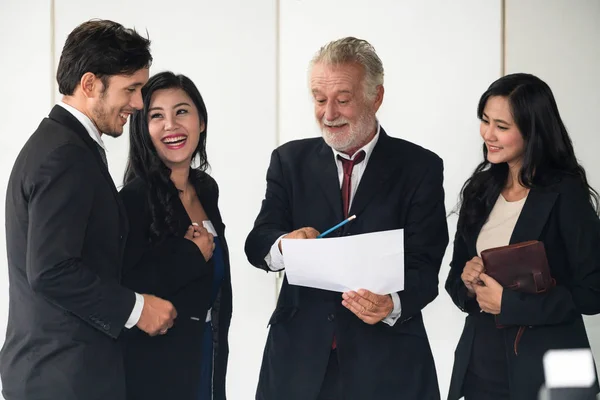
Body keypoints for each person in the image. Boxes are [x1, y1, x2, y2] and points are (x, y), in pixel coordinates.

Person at [245, 37, 449, 400]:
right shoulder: (288, 161)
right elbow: (258, 240)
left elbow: (425, 263)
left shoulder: (420, 167)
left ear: (376, 97)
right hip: (298, 365)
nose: (328, 113)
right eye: (319, 99)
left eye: (343, 99)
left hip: (388, 364)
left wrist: (392, 304)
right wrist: (283, 245)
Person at [0, 20, 177, 400]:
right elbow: (51, 270)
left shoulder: (64, 145)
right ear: (90, 84)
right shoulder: (64, 155)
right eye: (130, 89)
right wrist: (137, 309)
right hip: (63, 380)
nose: (139, 104)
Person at [445, 73, 600, 400]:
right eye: (485, 121)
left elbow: (592, 293)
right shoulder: (480, 191)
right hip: (481, 368)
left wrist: (510, 304)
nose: (488, 134)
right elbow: (454, 280)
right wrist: (469, 283)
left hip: (549, 371)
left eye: (502, 126)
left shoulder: (565, 192)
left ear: (533, 132)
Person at [120, 71, 232, 400]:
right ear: (143, 130)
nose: (171, 125)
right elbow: (126, 285)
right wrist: (191, 254)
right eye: (157, 116)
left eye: (181, 111)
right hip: (157, 369)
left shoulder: (206, 189)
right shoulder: (133, 198)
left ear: (201, 122)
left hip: (209, 351)